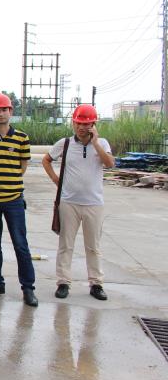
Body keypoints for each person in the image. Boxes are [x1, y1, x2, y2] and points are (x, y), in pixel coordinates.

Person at [43, 104, 114, 301]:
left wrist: (96, 143)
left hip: (94, 203)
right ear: (73, 123)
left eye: (86, 124)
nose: (82, 127)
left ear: (93, 124)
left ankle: (96, 283)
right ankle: (63, 282)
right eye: (78, 123)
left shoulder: (103, 143)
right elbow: (46, 160)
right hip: (69, 202)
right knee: (66, 244)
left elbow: (109, 163)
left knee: (93, 246)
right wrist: (56, 180)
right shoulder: (65, 143)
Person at [0, 93, 38, 307]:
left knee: (20, 244)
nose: (0, 113)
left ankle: (28, 287)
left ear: (10, 111)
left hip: (14, 200)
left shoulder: (22, 138)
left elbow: (22, 167)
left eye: (4, 109)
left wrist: (9, 181)